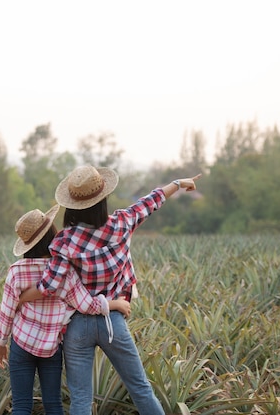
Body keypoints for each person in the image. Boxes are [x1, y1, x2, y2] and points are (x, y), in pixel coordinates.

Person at [22, 165, 201, 415]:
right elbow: (150, 202)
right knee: (140, 388)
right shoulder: (122, 223)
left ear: (72, 205)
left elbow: (48, 287)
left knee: (81, 399)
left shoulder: (64, 241)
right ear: (103, 199)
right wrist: (179, 183)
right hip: (113, 321)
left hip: (78, 325)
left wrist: (20, 298)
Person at [0, 204, 131, 415]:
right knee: (53, 404)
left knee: (21, 405)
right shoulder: (63, 270)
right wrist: (114, 304)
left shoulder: (16, 272)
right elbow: (86, 305)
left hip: (22, 344)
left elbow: (6, 311)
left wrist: (0, 344)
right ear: (53, 235)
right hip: (51, 348)